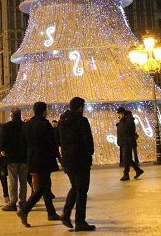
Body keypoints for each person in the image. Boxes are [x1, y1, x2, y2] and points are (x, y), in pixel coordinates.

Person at [17, 102, 60, 227]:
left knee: (45, 186)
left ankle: (51, 213)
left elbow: (23, 142)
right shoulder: (45, 124)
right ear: (44, 111)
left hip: (32, 159)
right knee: (42, 187)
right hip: (44, 159)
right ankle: (24, 210)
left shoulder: (27, 125)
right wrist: (56, 155)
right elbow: (52, 142)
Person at [58, 97, 95, 232]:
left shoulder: (62, 121)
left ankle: (66, 215)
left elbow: (59, 140)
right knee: (82, 190)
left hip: (68, 160)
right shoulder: (81, 120)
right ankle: (80, 221)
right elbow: (88, 141)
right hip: (81, 160)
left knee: (75, 187)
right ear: (80, 107)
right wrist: (90, 152)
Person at [0, 108, 27, 211]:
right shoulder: (25, 126)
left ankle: (12, 203)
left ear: (12, 116)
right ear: (20, 115)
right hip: (24, 157)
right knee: (23, 181)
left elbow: (3, 140)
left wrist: (2, 150)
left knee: (13, 181)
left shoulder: (6, 126)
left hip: (12, 157)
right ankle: (23, 202)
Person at [116, 107, 144, 181]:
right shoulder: (124, 119)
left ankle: (126, 174)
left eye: (119, 113)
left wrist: (121, 122)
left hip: (128, 141)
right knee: (127, 158)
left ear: (122, 113)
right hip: (124, 141)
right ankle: (137, 170)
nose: (118, 115)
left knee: (126, 157)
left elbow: (127, 129)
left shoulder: (129, 119)